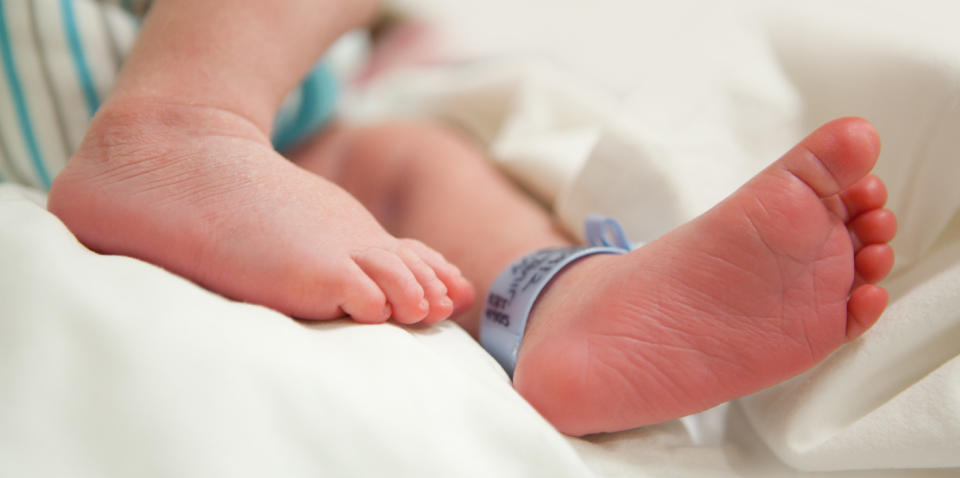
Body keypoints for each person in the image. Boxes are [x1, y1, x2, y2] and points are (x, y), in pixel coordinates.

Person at [7, 0, 896, 436]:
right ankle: (180, 120)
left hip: (284, 129)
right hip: (185, 99)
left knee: (408, 168)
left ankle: (554, 302)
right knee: (378, 174)